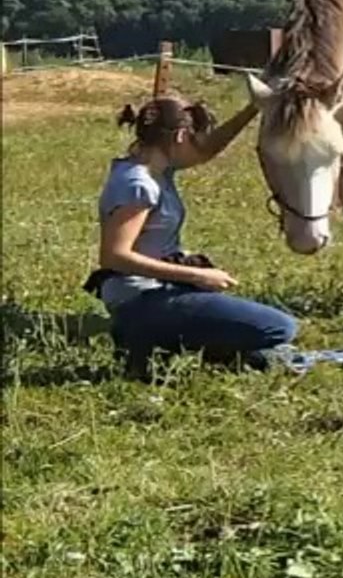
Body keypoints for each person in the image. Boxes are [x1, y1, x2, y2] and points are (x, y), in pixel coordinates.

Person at [83, 92, 298, 378]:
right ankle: (146, 338)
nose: (199, 148)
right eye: (195, 137)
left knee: (263, 338)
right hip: (141, 299)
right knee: (280, 327)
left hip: (159, 291)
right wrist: (197, 276)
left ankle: (173, 346)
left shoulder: (157, 169)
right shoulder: (138, 185)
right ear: (182, 136)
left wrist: (252, 108)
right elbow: (114, 256)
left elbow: (208, 150)